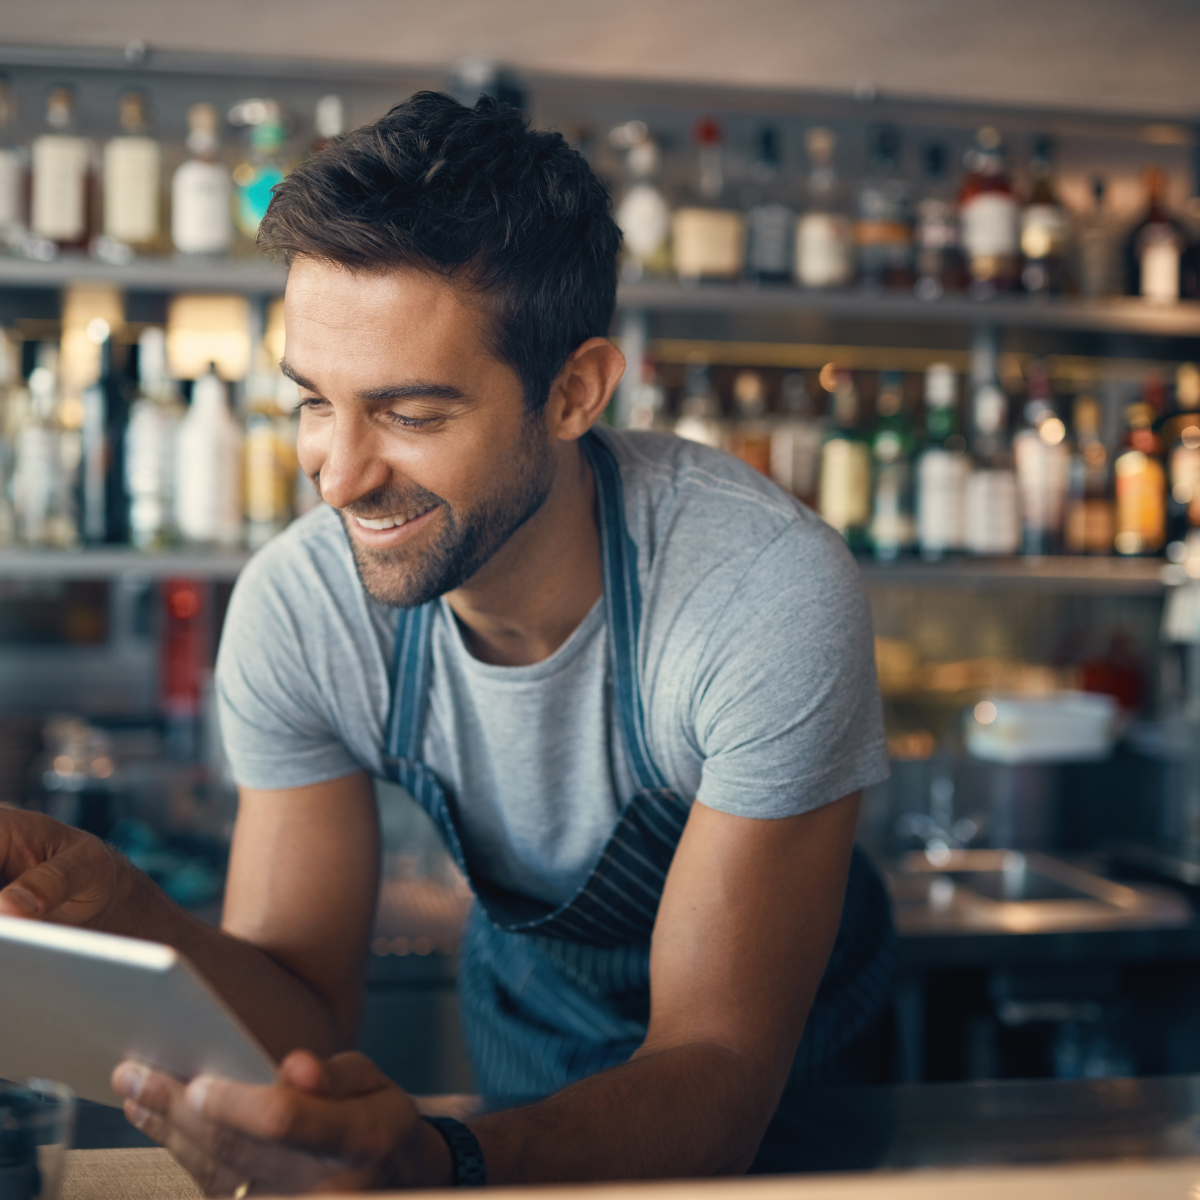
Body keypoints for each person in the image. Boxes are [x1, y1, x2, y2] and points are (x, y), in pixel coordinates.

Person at [0, 92, 893, 1193]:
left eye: (410, 414)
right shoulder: (301, 606)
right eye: (312, 403)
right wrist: (128, 911)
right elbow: (302, 1008)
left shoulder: (758, 592)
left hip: (799, 1103)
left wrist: (439, 1158)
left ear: (573, 393)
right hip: (521, 1062)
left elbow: (715, 1073)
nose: (336, 473)